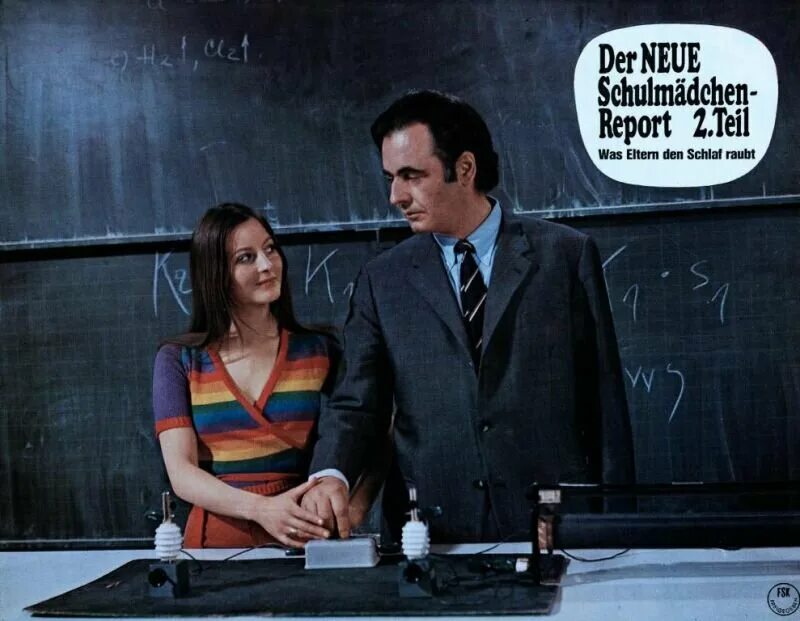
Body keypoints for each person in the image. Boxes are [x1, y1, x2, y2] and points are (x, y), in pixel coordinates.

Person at [303, 90, 635, 543]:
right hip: (431, 532)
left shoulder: (564, 257)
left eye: (412, 175)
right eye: (391, 178)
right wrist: (331, 474)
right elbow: (356, 402)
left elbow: (604, 406)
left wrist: (617, 528)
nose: (396, 196)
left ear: (464, 168)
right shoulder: (383, 280)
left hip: (552, 524)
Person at [152, 203, 379, 548]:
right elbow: (181, 473)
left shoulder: (320, 350)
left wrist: (357, 506)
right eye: (246, 257)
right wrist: (262, 509)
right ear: (215, 273)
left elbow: (374, 430)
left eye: (270, 249)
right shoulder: (178, 360)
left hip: (306, 535)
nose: (267, 265)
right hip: (217, 545)